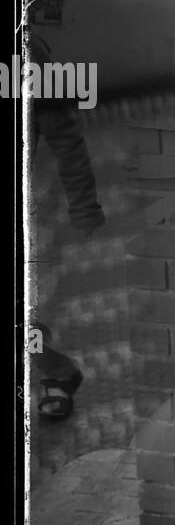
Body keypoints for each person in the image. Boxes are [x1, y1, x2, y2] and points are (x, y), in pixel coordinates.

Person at [27, 31, 105, 419]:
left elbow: (66, 138)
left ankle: (58, 371)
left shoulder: (26, 50)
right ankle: (58, 370)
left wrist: (84, 206)